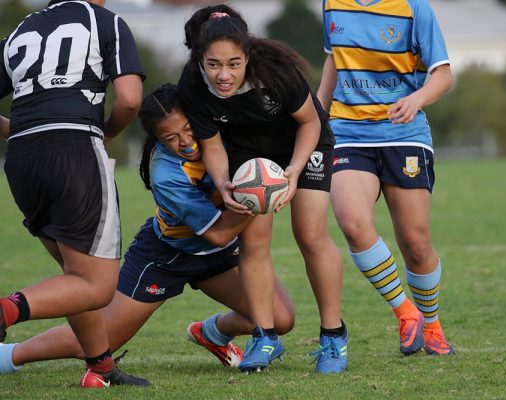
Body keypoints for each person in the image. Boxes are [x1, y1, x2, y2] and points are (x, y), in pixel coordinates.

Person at [0, 83, 296, 378]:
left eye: (189, 129)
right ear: (157, 140)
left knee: (280, 319)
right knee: (99, 340)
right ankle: (11, 355)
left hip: (217, 256)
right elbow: (218, 233)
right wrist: (261, 197)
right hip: (166, 256)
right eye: (171, 137)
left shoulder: (220, 136)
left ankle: (213, 333)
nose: (186, 142)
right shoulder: (166, 174)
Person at [179, 5, 347, 373]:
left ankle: (333, 338)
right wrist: (223, 182)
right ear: (200, 59)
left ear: (248, 56)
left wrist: (293, 172)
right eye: (214, 64)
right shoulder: (191, 84)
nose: (224, 74)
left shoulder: (276, 72)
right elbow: (213, 145)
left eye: (234, 64)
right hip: (247, 151)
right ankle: (265, 336)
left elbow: (309, 122)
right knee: (254, 241)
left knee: (310, 233)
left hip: (305, 142)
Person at [0, 0, 149, 387]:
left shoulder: (21, 30)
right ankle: (5, 312)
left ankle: (101, 367)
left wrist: (17, 129)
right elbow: (130, 99)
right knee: (96, 286)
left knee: (75, 275)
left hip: (20, 160)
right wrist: (105, 134)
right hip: (75, 149)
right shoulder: (105, 20)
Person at [317, 0, 455, 356]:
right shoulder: (332, 3)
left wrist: (417, 99)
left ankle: (433, 324)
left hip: (403, 134)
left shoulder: (414, 8)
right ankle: (406, 313)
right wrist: (316, 115)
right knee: (352, 223)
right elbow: (334, 59)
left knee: (416, 244)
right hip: (347, 132)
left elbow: (443, 74)